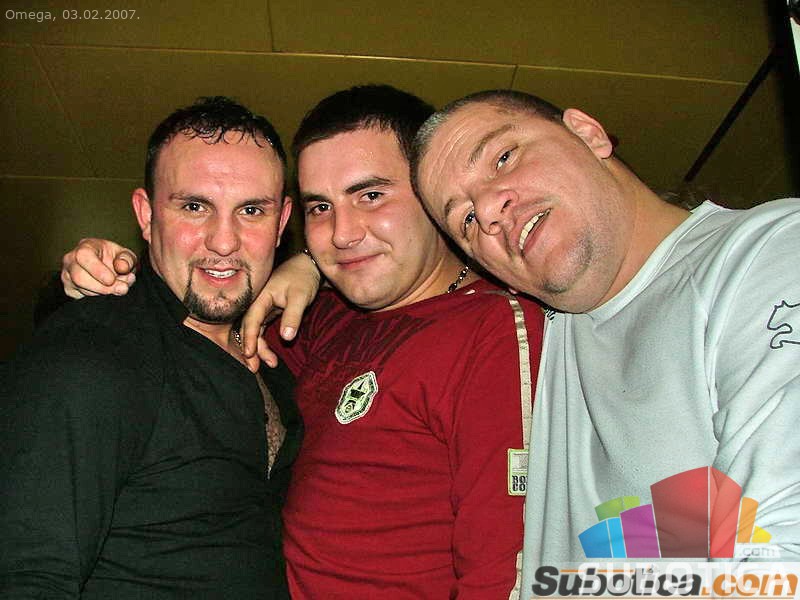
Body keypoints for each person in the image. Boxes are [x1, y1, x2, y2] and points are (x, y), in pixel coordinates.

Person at [58, 85, 546, 598]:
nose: (341, 233)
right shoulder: (323, 318)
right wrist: (111, 275)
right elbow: (199, 330)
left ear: (431, 192)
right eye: (320, 207)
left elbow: (508, 567)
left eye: (371, 196)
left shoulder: (495, 328)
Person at [411, 90, 800, 585]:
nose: (488, 209)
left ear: (588, 133)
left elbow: (785, 547)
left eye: (503, 157)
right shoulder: (528, 340)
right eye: (466, 220)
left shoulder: (764, 253)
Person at [1, 97, 302, 599]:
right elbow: (28, 575)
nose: (223, 241)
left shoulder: (275, 354)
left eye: (251, 210)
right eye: (194, 207)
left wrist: (311, 266)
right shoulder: (90, 352)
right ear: (145, 215)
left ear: (282, 221)